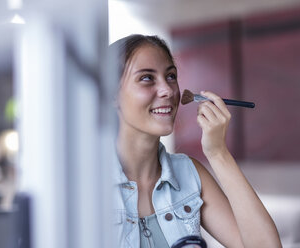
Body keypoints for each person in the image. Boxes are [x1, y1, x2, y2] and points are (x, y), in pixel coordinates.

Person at [110, 34, 281, 248]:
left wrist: (218, 152)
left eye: (171, 76)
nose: (168, 90)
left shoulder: (190, 174)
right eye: (147, 78)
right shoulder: (86, 184)